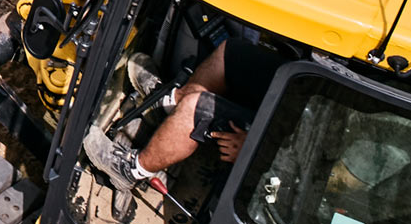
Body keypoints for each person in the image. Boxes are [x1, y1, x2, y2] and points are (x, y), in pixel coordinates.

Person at [84, 38, 289, 190]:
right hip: (302, 107)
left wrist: (259, 152)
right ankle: (168, 107)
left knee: (197, 108)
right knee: (232, 53)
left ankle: (131, 170)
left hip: (286, 158)